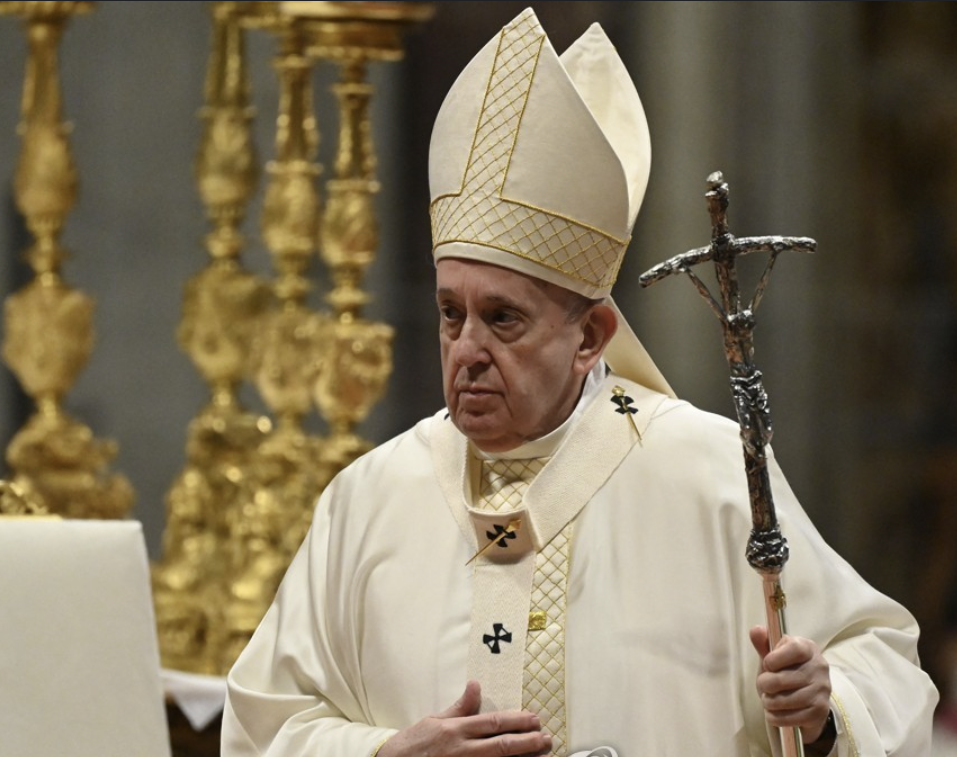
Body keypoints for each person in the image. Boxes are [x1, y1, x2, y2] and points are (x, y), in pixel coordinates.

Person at [221, 8, 938, 756]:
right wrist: (386, 753)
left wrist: (824, 708)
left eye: (502, 319)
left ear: (589, 337)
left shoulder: (704, 470)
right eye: (448, 312)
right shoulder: (369, 498)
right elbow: (264, 726)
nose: (465, 348)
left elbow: (880, 664)